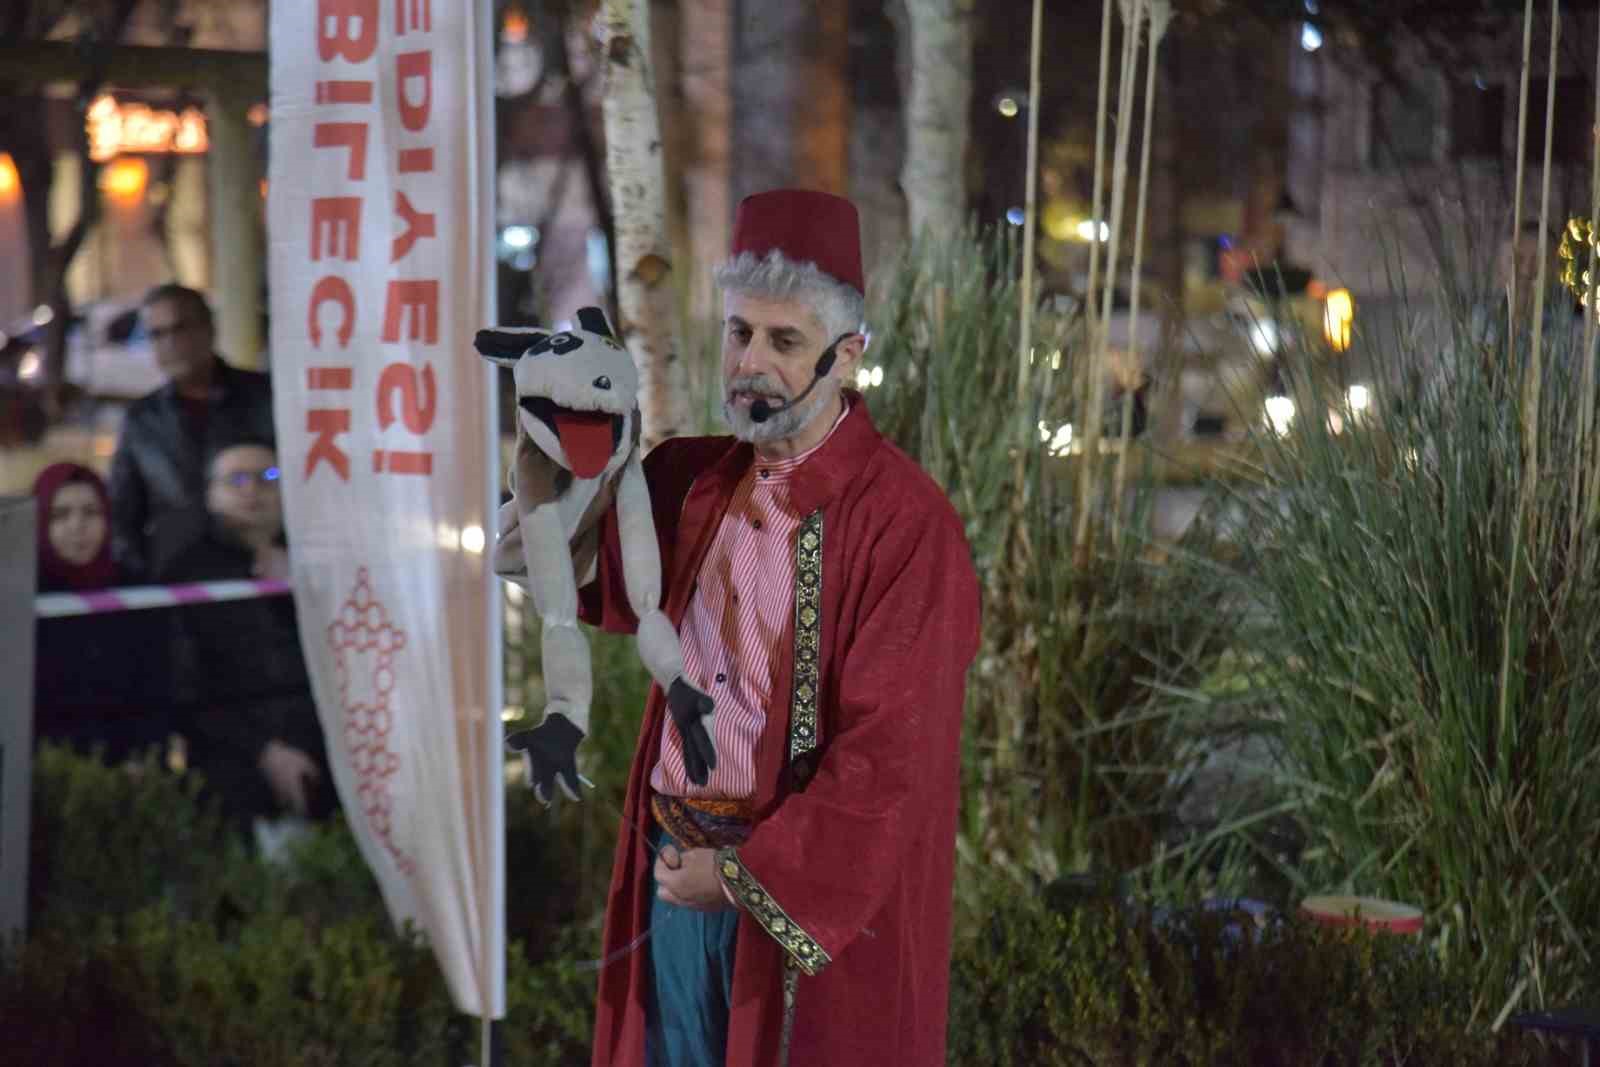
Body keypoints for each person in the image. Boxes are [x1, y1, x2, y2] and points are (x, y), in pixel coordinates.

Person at [558, 190, 981, 1065]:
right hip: (675, 877)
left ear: (848, 357)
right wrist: (557, 449)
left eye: (784, 343)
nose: (750, 363)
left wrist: (751, 879)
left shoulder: (905, 525)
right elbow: (561, 565)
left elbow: (890, 755)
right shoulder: (689, 479)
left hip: (792, 908)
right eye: (739, 332)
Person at [153, 437, 332, 837]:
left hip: (324, 766)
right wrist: (265, 751)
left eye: (268, 476)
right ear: (210, 494)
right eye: (235, 480)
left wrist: (303, 589)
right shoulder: (187, 575)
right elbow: (184, 686)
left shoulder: (317, 562)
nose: (252, 490)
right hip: (229, 780)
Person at [108, 284, 276, 581]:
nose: (170, 343)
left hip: (264, 576)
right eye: (157, 334)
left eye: (180, 328)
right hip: (179, 580)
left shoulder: (265, 397)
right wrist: (143, 580)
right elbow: (123, 515)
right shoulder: (142, 421)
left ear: (209, 329)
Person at [31, 463, 170, 763]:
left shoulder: (136, 592)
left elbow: (157, 690)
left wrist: (144, 757)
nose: (77, 526)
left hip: (133, 776)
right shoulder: (21, 599)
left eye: (91, 512)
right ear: (39, 522)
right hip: (42, 777)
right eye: (60, 514)